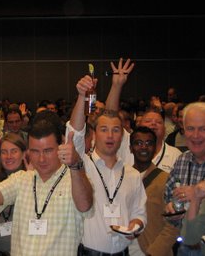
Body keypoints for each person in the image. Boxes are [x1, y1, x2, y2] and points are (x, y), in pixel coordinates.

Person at [0, 114, 93, 256]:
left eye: (47, 151)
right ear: (28, 151)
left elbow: (85, 205)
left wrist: (75, 165)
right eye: (35, 151)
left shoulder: (74, 179)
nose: (41, 159)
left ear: (60, 145)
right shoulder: (21, 179)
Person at [68, 72, 147, 255]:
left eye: (115, 130)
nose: (110, 135)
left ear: (122, 135)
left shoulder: (131, 173)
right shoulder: (82, 165)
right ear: (95, 134)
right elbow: (75, 133)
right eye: (104, 129)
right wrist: (82, 96)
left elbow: (139, 212)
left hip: (123, 251)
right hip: (88, 251)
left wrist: (135, 226)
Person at [164, 102, 205, 255]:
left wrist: (197, 195)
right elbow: (168, 199)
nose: (196, 135)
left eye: (203, 129)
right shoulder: (181, 161)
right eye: (190, 129)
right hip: (185, 246)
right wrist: (172, 209)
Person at [129, 126, 179, 256]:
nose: (144, 147)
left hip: (152, 250)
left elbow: (174, 224)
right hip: (123, 248)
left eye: (149, 143)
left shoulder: (167, 180)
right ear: (130, 148)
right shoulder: (122, 177)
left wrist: (155, 252)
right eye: (138, 143)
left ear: (155, 148)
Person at [139, 109, 181, 173]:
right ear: (139, 126)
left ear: (164, 129)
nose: (153, 123)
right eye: (148, 121)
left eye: (158, 122)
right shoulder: (128, 150)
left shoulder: (176, 155)